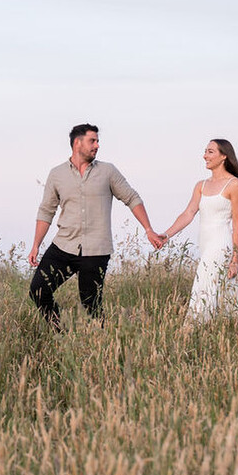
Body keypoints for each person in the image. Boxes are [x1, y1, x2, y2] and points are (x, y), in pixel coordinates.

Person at [28, 123, 162, 329]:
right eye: (93, 140)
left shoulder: (107, 171)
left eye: (98, 141)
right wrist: (36, 244)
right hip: (64, 246)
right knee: (38, 290)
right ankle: (61, 331)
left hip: (96, 250)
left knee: (91, 305)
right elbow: (46, 211)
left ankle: (101, 343)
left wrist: (148, 229)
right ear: (77, 143)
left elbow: (132, 198)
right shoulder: (57, 174)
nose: (97, 145)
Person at [157, 139, 238, 325]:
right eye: (205, 151)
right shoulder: (201, 185)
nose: (205, 156)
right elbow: (189, 213)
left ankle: (193, 328)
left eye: (210, 152)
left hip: (221, 245)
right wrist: (167, 235)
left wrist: (235, 259)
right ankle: (236, 326)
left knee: (204, 286)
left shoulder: (234, 185)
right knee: (226, 288)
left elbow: (237, 225)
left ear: (224, 156)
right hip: (205, 243)